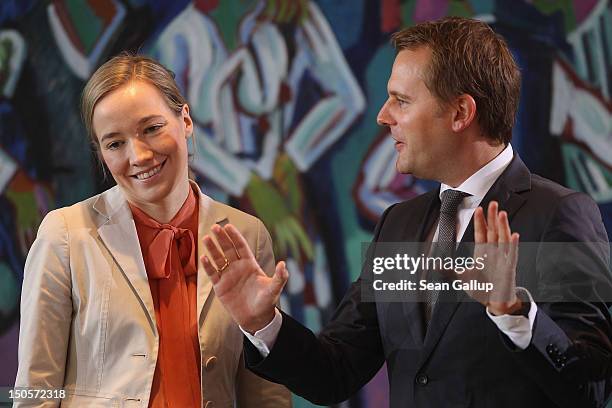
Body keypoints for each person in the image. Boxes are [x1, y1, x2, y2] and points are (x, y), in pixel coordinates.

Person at [200, 17, 612, 408]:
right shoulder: (398, 224)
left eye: (400, 101)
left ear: (460, 113)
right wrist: (263, 322)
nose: (383, 116)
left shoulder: (560, 215)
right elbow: (335, 371)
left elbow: (590, 390)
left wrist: (514, 313)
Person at [14, 53, 291, 408]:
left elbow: (266, 392)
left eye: (152, 128)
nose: (139, 155)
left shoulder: (246, 233)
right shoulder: (65, 234)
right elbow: (35, 390)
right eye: (115, 143)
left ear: (185, 119)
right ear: (100, 152)